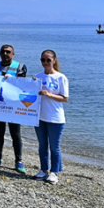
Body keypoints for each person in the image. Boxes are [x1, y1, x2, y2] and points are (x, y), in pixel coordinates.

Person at [0, 45, 28, 173]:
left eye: (8, 52)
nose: (5, 54)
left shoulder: (20, 67)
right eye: (3, 52)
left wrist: (13, 79)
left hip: (14, 106)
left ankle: (18, 161)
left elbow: (23, 85)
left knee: (16, 134)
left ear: (13, 54)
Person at [33, 50, 69, 185]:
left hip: (55, 118)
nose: (45, 63)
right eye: (43, 60)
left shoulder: (61, 78)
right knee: (42, 146)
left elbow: (65, 98)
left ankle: (54, 172)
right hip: (39, 117)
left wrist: (48, 94)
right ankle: (43, 169)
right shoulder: (38, 77)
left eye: (48, 60)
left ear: (54, 60)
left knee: (54, 147)